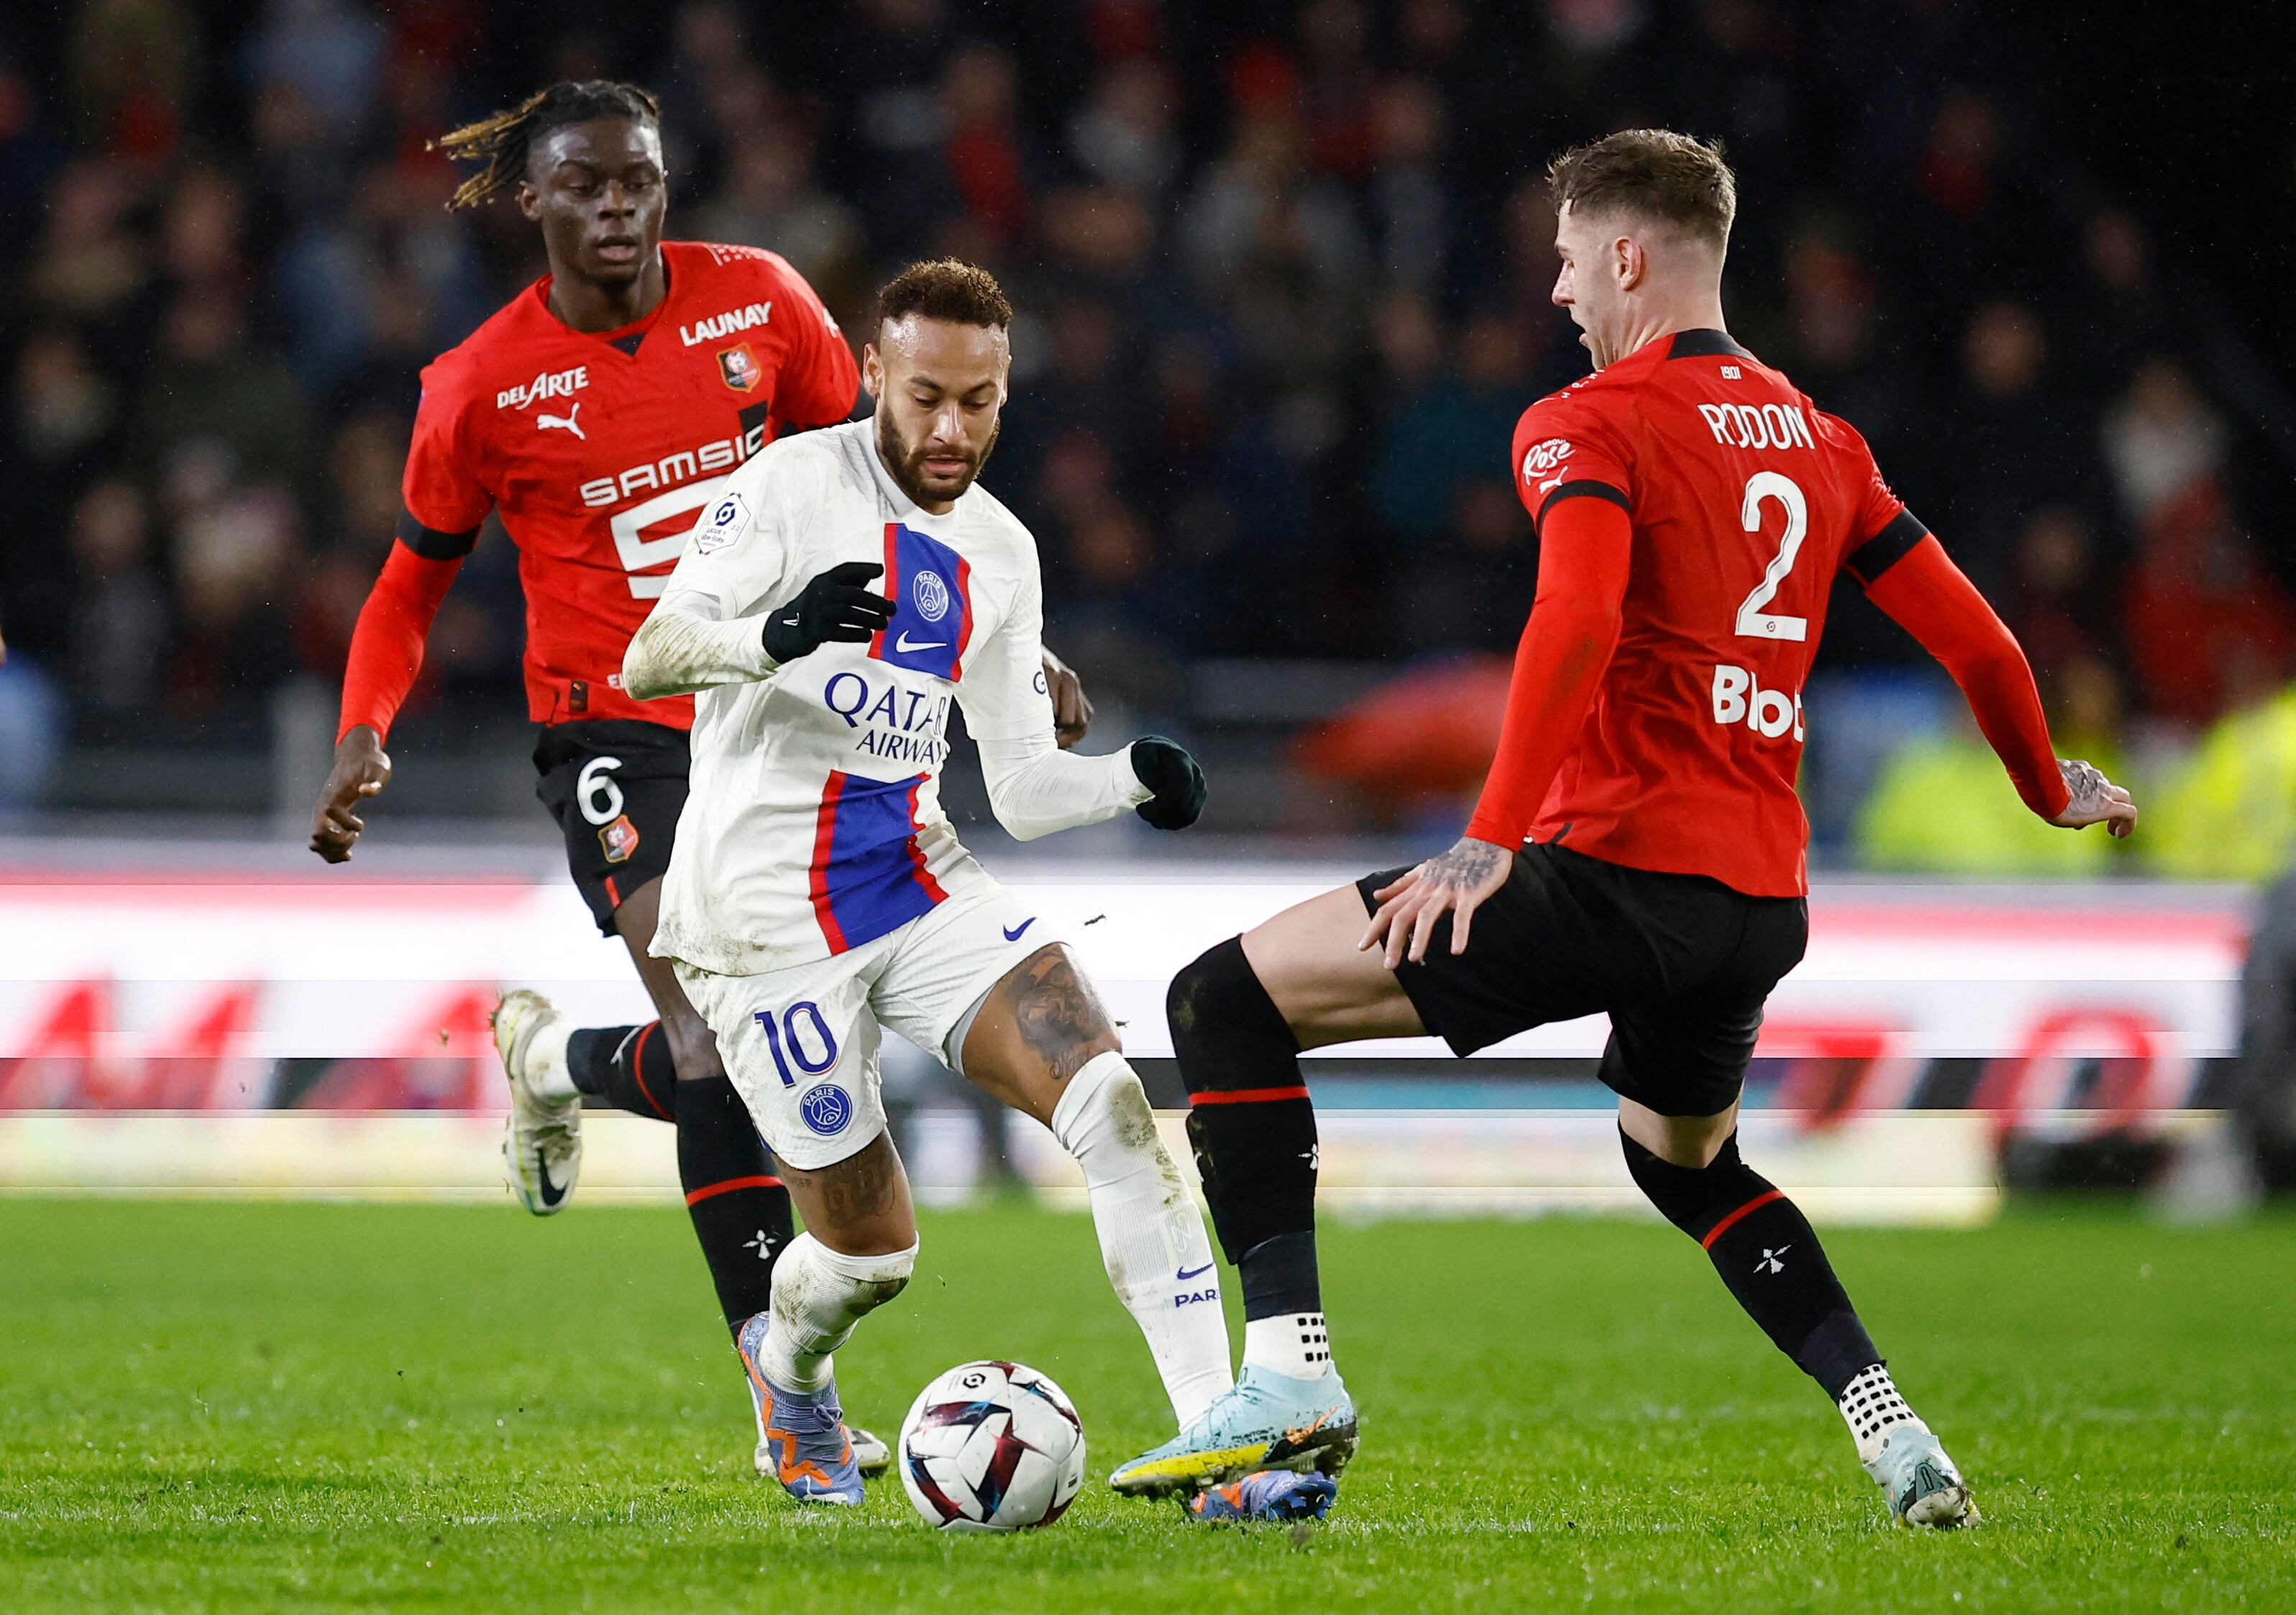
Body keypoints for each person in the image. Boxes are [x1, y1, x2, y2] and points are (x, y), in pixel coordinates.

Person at [1114, 129, 2138, 1529]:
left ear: (1625, 255)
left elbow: (1580, 613)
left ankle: (1287, 1377)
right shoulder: (1825, 441)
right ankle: (1892, 1428)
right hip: (1752, 907)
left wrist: (1488, 833)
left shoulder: (1586, 421)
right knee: (1684, 1161)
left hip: (1605, 868)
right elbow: (1980, 641)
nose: (1555, 295)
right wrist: (2039, 782)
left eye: (1563, 261)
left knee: (1219, 998)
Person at [302, 81, 1096, 1481]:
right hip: (610, 730)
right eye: (586, 186)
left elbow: (899, 494)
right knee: (715, 1040)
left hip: (776, 717)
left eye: (639, 183)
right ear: (533, 200)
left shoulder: (764, 306)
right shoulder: (479, 386)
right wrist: (368, 723)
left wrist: (1018, 658)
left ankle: (551, 1061)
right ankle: (787, 1404)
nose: (617, 208)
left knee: (763, 1055)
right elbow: (406, 584)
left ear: (664, 186)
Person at [621, 257, 1329, 1524]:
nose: (951, 430)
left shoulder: (1000, 548)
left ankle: (1218, 1452)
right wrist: (772, 635)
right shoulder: (788, 486)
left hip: (916, 877)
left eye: (981, 402)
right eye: (927, 396)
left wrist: (1131, 782)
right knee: (869, 1255)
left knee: (1114, 1103)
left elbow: (1018, 783)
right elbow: (651, 650)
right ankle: (790, 1377)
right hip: (762, 923)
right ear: (876, 373)